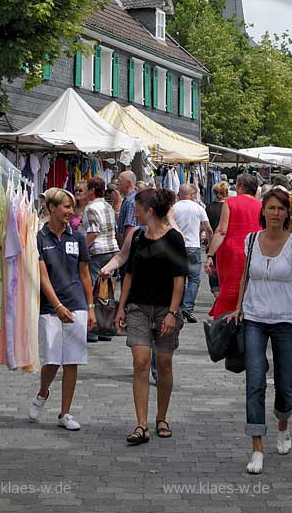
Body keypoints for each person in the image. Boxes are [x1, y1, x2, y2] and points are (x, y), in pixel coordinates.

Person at [226, 188, 292, 474]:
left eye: (281, 208)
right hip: (254, 318)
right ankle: (257, 449)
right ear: (263, 211)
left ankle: (283, 425)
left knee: (284, 385)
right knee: (255, 381)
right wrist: (239, 306)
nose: (275, 213)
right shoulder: (251, 240)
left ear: (288, 213)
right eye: (271, 208)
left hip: (286, 320)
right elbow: (244, 277)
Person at [113, 189, 187, 445]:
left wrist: (172, 313)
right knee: (141, 362)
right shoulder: (136, 238)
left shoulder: (174, 238)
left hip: (165, 308)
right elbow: (129, 275)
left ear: (150, 211)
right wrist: (121, 307)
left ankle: (161, 418)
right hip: (138, 308)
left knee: (164, 364)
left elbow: (180, 279)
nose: (135, 213)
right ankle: (141, 424)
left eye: (137, 209)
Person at [28, 188, 94, 430]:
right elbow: (42, 276)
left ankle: (65, 413)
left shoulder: (77, 237)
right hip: (50, 306)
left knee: (72, 361)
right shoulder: (39, 238)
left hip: (76, 303)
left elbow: (85, 274)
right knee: (53, 359)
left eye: (72, 207)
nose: (70, 211)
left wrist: (91, 306)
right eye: (65, 206)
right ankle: (43, 392)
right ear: (52, 208)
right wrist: (56, 305)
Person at [206, 173, 262, 318]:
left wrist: (210, 255)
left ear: (241, 186)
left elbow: (221, 231)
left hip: (232, 253)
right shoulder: (261, 205)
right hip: (254, 251)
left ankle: (225, 320)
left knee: (229, 288)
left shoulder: (230, 203)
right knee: (250, 287)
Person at [83, 177, 119, 342]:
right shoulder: (108, 206)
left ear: (91, 190)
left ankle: (93, 329)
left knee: (93, 290)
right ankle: (105, 327)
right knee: (105, 291)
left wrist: (82, 249)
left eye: (86, 189)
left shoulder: (91, 208)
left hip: (97, 250)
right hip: (111, 250)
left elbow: (93, 232)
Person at [172, 184, 212, 323]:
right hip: (193, 246)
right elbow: (208, 228)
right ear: (191, 194)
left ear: (180, 194)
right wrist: (210, 246)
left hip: (176, 246)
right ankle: (187, 307)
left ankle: (177, 306)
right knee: (194, 279)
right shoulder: (198, 208)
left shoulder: (173, 208)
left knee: (178, 277)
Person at [205, 181, 228, 297]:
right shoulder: (229, 207)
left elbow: (207, 228)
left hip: (213, 243)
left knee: (213, 274)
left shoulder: (209, 208)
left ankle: (218, 298)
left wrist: (209, 243)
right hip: (226, 244)